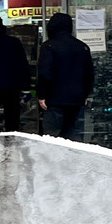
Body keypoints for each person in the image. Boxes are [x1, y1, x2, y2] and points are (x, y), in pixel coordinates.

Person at [35, 12, 95, 141]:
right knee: (74, 137)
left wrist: (42, 95)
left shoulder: (49, 46)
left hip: (54, 99)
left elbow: (45, 73)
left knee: (52, 138)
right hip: (76, 99)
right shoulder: (82, 47)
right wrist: (85, 94)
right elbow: (89, 74)